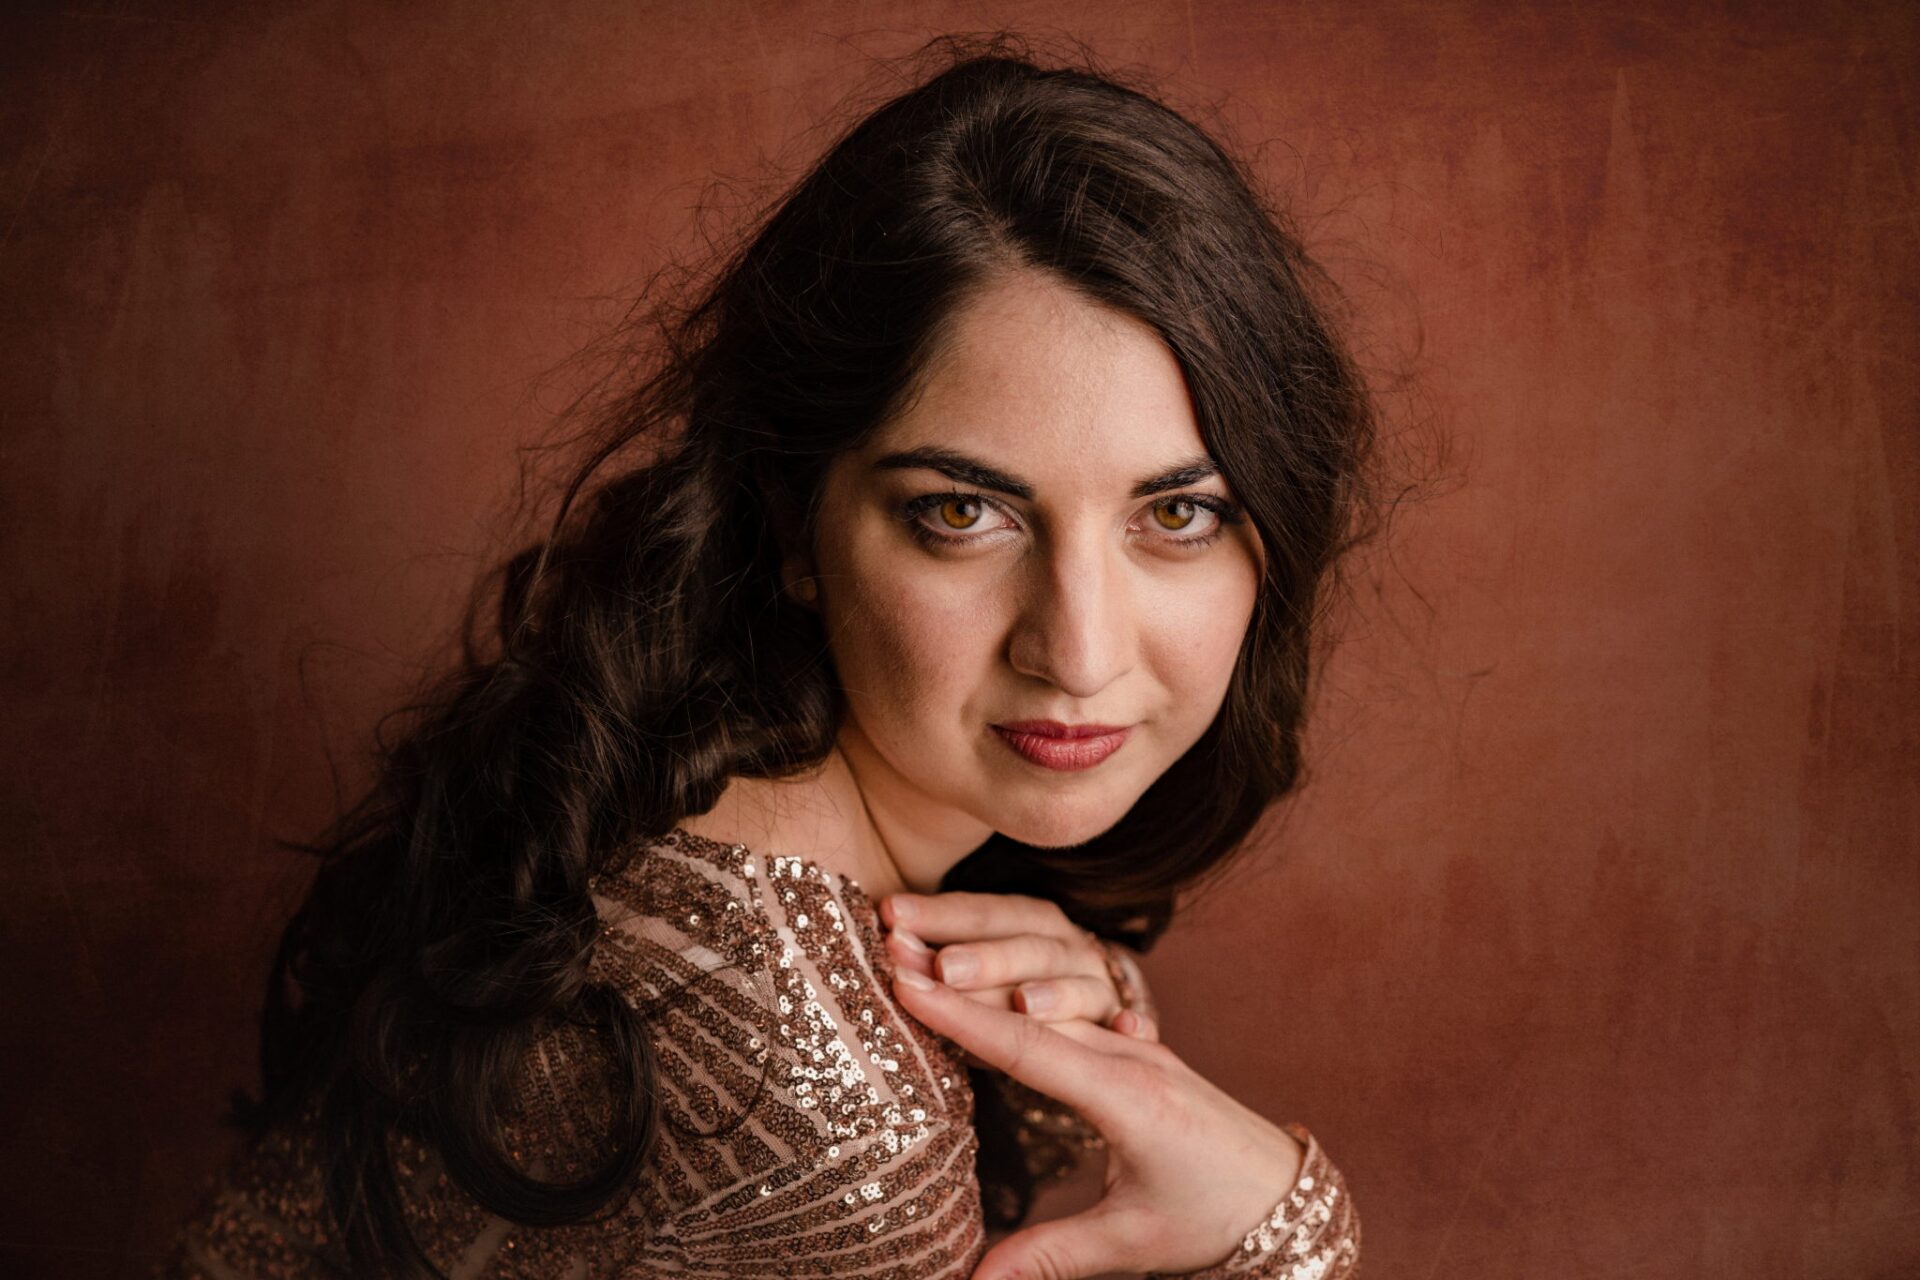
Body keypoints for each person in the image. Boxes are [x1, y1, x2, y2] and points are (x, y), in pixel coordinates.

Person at [164, 37, 1373, 1280]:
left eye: (1177, 513)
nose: (1077, 649)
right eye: (963, 512)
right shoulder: (832, 1131)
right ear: (795, 522)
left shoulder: (684, 816)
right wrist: (1288, 1233)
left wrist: (1089, 1040)